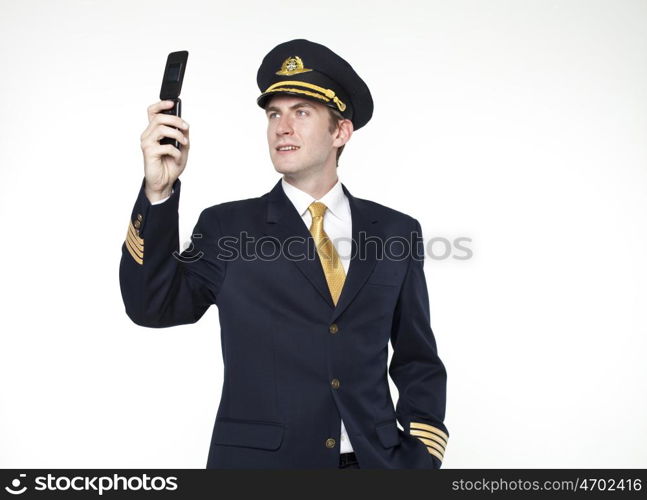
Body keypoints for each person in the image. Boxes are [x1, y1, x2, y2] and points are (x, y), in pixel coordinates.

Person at [120, 39, 448, 469]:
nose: (282, 127)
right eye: (275, 113)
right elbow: (152, 306)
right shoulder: (227, 227)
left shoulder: (395, 232)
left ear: (340, 131)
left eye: (302, 112)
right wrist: (158, 192)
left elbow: (417, 356)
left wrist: (419, 457)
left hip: (373, 467)